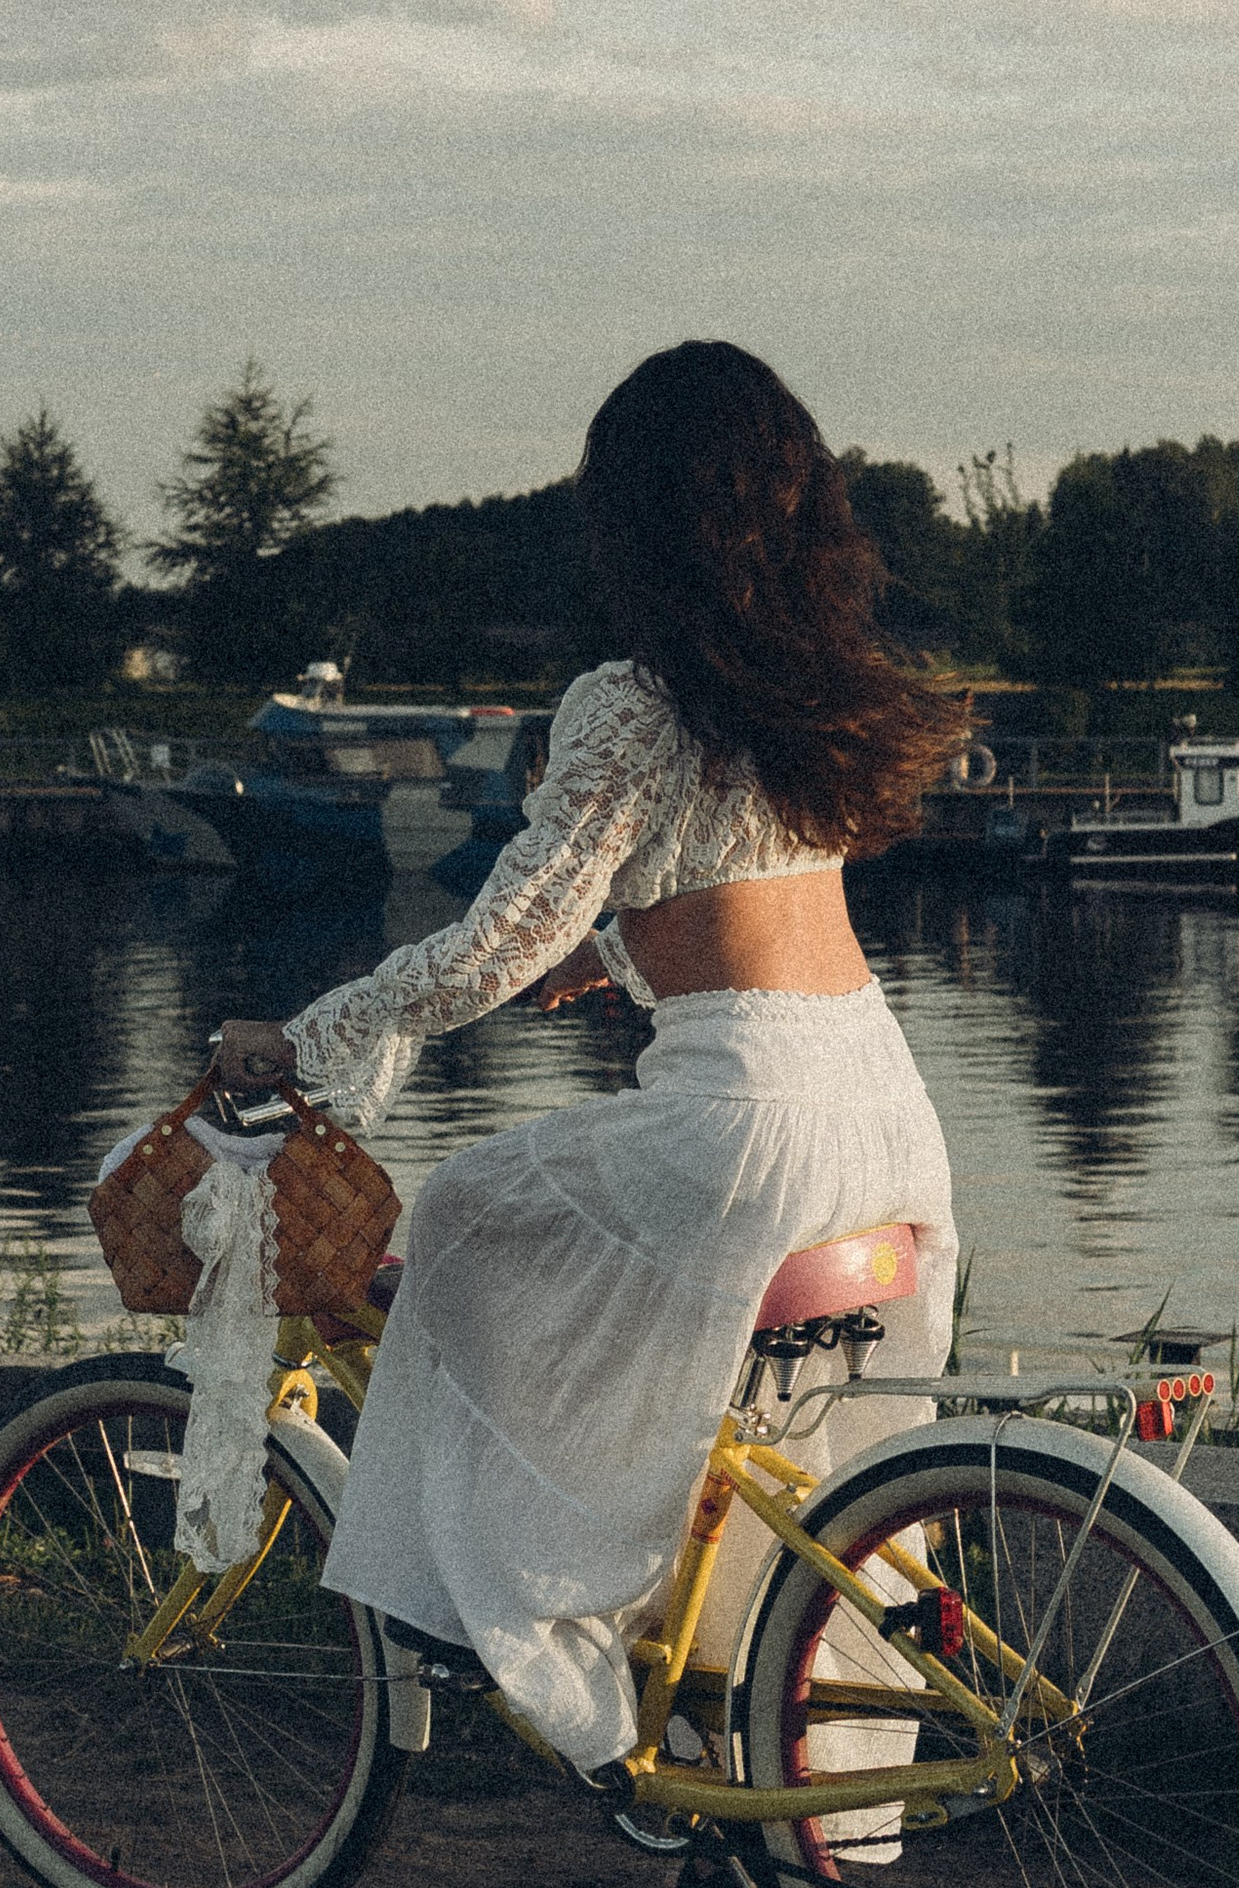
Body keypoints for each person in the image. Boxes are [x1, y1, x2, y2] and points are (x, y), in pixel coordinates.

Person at [212, 340, 962, 1779]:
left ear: (636, 523)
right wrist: (611, 960)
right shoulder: (805, 688)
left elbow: (493, 945)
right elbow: (736, 901)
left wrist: (315, 1036)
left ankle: (492, 1613)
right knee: (779, 1446)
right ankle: (729, 1719)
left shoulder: (629, 700)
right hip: (880, 1105)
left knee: (458, 1224)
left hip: (746, 1122)